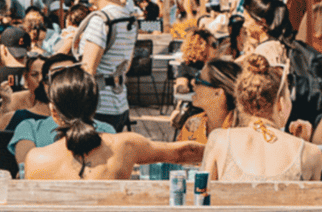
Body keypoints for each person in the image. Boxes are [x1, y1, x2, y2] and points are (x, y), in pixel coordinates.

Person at [23, 65, 204, 181]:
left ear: (54, 112)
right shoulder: (125, 145)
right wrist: (224, 144)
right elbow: (182, 152)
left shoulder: (36, 159)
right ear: (95, 106)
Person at [202, 54, 322, 182]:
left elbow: (201, 194)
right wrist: (303, 143)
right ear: (280, 104)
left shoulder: (219, 140)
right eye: (288, 97)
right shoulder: (311, 153)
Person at [0, 53, 87, 171]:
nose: (64, 82)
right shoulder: (26, 126)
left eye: (71, 76)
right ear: (45, 84)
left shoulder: (101, 129)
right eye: (56, 77)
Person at [76, 0, 139, 131]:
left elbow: (88, 70)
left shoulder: (101, 20)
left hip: (98, 107)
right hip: (119, 103)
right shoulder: (129, 18)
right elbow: (127, 65)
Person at [174, 58, 241, 145]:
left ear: (217, 93)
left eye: (199, 79)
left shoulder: (241, 132)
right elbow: (179, 156)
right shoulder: (192, 124)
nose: (193, 82)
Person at [238, 0, 292, 69]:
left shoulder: (265, 51)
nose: (244, 25)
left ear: (261, 22)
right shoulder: (273, 45)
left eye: (247, 20)